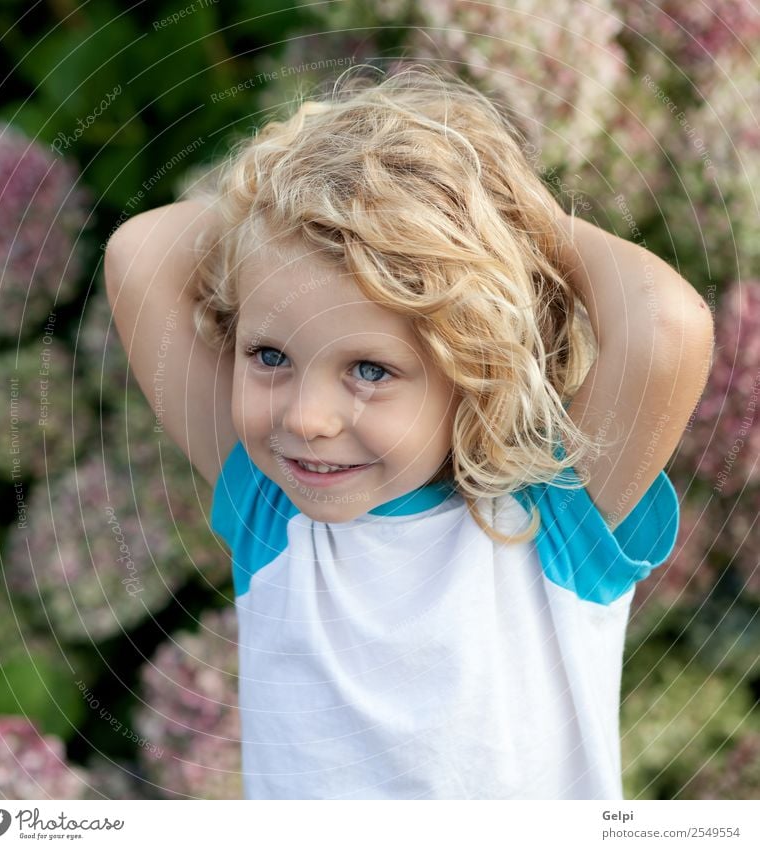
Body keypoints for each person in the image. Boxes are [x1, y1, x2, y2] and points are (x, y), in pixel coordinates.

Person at [103, 63, 714, 800]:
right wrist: (296, 181)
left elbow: (666, 326)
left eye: (369, 370)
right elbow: (138, 254)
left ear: (479, 367)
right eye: (270, 355)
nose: (305, 417)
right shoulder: (276, 513)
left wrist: (504, 218)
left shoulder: (549, 519)